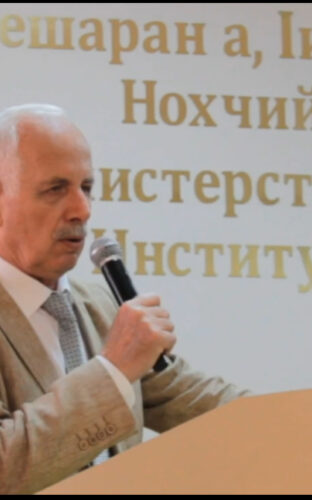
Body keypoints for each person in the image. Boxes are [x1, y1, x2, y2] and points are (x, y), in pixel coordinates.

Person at [0, 103, 250, 495]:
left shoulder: (103, 306)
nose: (82, 210)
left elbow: (199, 400)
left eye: (86, 188)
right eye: (55, 189)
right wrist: (113, 368)